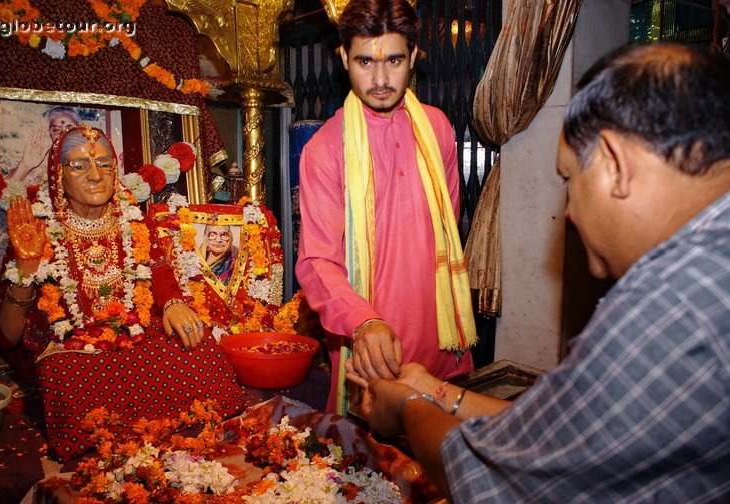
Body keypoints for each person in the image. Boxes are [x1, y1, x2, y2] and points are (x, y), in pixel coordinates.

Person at [348, 43, 730, 502]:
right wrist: (433, 390)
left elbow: (496, 481)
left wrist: (407, 409)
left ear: (613, 163)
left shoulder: (670, 304)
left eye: (568, 180)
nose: (567, 213)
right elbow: (561, 426)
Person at [0, 125, 247, 461]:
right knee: (64, 374)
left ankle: (148, 422)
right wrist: (26, 271)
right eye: (80, 166)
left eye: (105, 164)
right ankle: (129, 425)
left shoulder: (135, 223)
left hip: (136, 338)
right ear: (59, 178)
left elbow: (162, 278)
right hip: (73, 353)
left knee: (198, 344)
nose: (96, 176)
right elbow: (5, 338)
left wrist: (173, 304)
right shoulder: (38, 229)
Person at [295, 0, 477, 414]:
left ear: (413, 56)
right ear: (343, 58)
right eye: (364, 61)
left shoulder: (438, 128)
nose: (379, 79)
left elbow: (444, 228)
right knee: (372, 465)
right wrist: (363, 322)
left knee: (441, 464)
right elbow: (317, 261)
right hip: (372, 341)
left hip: (440, 333)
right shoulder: (325, 149)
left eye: (394, 60)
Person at [7, 105, 81, 185]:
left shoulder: (88, 156)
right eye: (56, 129)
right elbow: (6, 194)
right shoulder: (40, 162)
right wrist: (25, 166)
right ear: (49, 132)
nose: (63, 134)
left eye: (69, 129)